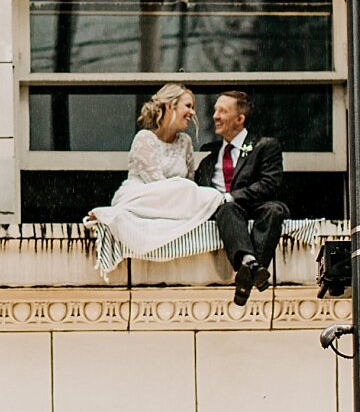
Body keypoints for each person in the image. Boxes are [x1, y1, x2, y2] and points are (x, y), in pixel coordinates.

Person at [85, 83, 226, 259]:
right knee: (187, 189)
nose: (192, 112)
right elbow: (157, 186)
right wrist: (183, 191)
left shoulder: (185, 142)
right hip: (145, 197)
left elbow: (189, 181)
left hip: (173, 201)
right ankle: (111, 214)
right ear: (169, 106)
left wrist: (185, 193)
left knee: (202, 192)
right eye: (188, 106)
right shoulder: (144, 138)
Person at [194, 89, 288, 308]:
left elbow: (269, 184)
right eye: (215, 110)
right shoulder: (209, 157)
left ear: (239, 119)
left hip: (257, 206)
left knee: (275, 210)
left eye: (222, 111)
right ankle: (253, 266)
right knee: (226, 209)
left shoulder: (265, 146)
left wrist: (231, 196)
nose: (215, 116)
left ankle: (247, 270)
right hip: (225, 214)